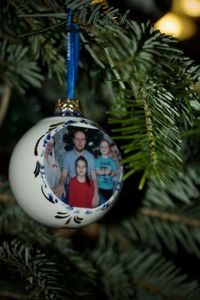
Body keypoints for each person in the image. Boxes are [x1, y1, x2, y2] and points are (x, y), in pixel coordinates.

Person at [56, 130, 99, 207]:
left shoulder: (90, 157)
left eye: (82, 139)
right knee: (60, 196)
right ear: (73, 140)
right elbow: (63, 175)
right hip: (71, 186)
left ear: (85, 141)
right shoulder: (68, 156)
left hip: (87, 187)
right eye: (77, 139)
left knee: (101, 201)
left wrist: (96, 194)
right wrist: (61, 184)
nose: (80, 142)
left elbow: (94, 178)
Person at [95, 139, 117, 203]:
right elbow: (97, 171)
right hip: (99, 187)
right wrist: (104, 171)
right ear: (99, 148)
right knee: (101, 202)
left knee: (108, 203)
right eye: (102, 147)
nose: (104, 148)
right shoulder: (97, 160)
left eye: (106, 147)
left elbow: (115, 172)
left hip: (110, 188)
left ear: (109, 149)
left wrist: (110, 173)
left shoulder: (112, 161)